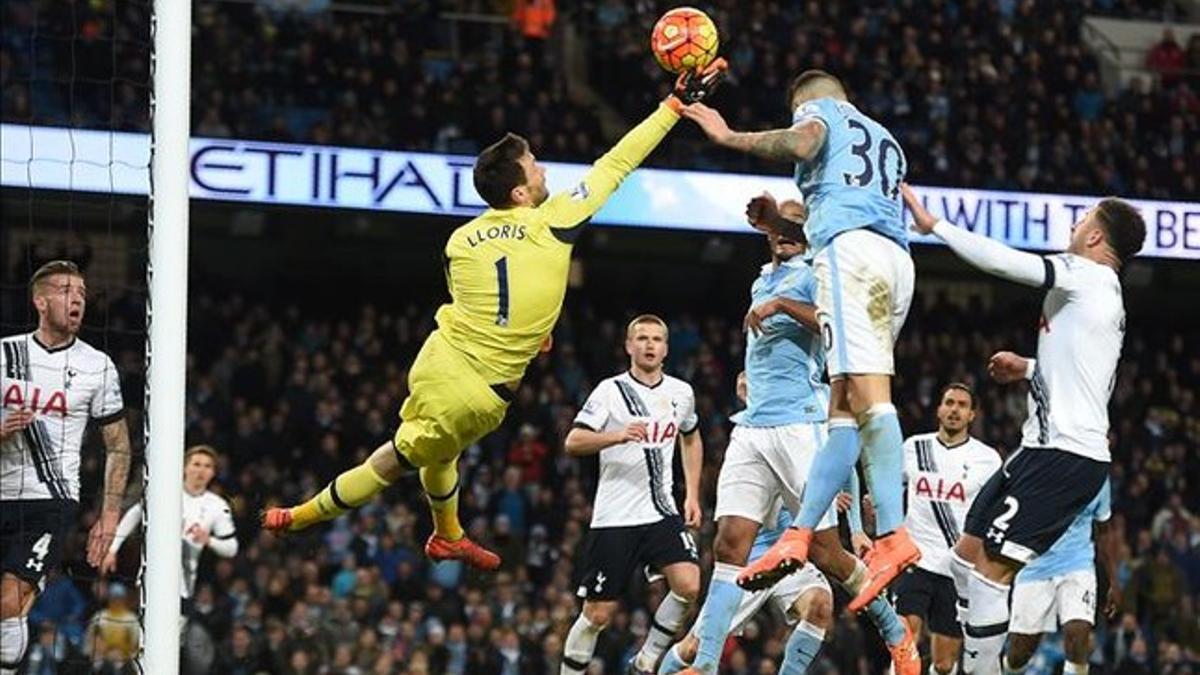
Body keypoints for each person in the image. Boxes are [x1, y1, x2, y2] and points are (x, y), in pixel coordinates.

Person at [262, 61, 728, 570]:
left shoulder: (458, 239)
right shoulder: (553, 220)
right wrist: (672, 107)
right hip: (477, 393)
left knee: (440, 455)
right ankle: (303, 515)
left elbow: (481, 300)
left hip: (439, 359)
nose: (545, 170)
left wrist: (533, 327)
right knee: (393, 461)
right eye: (535, 167)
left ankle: (449, 535)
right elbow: (616, 164)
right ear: (520, 193)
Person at [681, 69, 919, 608]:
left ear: (806, 101)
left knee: (866, 398)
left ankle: (893, 536)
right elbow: (854, 213)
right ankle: (799, 532)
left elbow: (804, 140)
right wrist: (779, 228)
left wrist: (727, 136)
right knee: (843, 404)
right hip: (895, 262)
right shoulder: (885, 139)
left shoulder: (821, 114)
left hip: (851, 259)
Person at [901, 184, 1146, 674]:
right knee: (962, 559)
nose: (1074, 226)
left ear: (1096, 237)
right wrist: (1031, 368)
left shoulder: (1086, 275)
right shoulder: (1105, 296)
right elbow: (1089, 378)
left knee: (991, 576)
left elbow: (1008, 263)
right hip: (1038, 449)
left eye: (1081, 220)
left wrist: (936, 227)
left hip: (1064, 456)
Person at [671, 201, 917, 675]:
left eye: (795, 226)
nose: (785, 234)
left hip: (798, 423)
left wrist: (783, 305)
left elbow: (831, 323)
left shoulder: (817, 272)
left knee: (825, 550)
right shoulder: (761, 278)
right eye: (780, 228)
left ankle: (893, 630)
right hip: (752, 425)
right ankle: (701, 666)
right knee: (729, 542)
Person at [0, 260, 132, 675]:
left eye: (82, 293)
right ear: (40, 300)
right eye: (64, 290)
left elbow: (120, 446)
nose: (76, 299)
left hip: (49, 501)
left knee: (8, 601)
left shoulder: (98, 366)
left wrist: (109, 516)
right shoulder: (5, 354)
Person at [559, 315, 703, 675]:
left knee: (689, 584)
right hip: (615, 517)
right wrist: (617, 435)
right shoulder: (610, 391)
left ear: (666, 348)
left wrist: (693, 494)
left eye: (656, 339)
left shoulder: (681, 393)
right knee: (597, 616)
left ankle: (646, 661)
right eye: (641, 338)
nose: (649, 345)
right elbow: (573, 441)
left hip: (661, 511)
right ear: (628, 346)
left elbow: (691, 435)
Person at [894, 383, 1001, 675]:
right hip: (914, 559)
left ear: (972, 415)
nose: (954, 409)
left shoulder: (988, 459)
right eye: (949, 402)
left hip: (956, 569)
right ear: (939, 409)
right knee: (905, 644)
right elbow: (891, 490)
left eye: (962, 405)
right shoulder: (914, 447)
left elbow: (994, 512)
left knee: (943, 665)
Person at [1004, 480, 1121, 675]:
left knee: (1079, 635)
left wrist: (1113, 581)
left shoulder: (1098, 474)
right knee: (1019, 652)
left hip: (1078, 564)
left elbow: (1104, 530)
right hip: (1035, 566)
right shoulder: (1038, 465)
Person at [102, 444, 239, 598]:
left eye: (207, 466)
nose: (201, 470)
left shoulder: (217, 505)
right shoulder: (164, 492)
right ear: (184, 467)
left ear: (213, 472)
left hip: (184, 587)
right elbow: (135, 514)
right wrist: (113, 549)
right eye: (196, 464)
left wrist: (209, 540)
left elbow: (231, 548)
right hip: (152, 580)